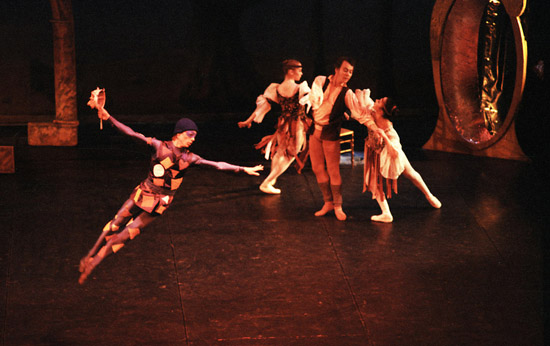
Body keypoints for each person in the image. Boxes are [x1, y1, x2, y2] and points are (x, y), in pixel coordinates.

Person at [78, 102, 263, 284]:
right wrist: (107, 116)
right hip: (143, 192)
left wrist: (243, 169)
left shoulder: (190, 158)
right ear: (179, 134)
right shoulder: (159, 147)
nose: (193, 139)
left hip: (160, 203)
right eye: (190, 135)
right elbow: (131, 133)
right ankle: (89, 255)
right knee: (115, 223)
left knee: (124, 236)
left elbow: (218, 165)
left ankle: (94, 263)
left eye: (195, 136)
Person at [307, 57, 378, 221]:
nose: (348, 74)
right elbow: (313, 101)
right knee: (317, 168)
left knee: (333, 170)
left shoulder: (347, 93)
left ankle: (338, 205)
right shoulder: (320, 81)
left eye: (351, 72)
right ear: (336, 69)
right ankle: (328, 202)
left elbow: (360, 115)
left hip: (330, 132)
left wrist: (376, 129)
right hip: (315, 130)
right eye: (345, 70)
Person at [238, 59, 311, 194]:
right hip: (296, 124)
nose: (301, 74)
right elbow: (313, 103)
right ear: (291, 71)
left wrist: (248, 121)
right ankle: (267, 182)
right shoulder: (300, 88)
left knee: (280, 151)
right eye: (299, 70)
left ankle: (271, 181)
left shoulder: (276, 88)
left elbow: (262, 106)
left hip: (283, 124)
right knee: (292, 153)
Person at [363, 97, 441, 223]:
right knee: (372, 181)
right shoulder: (373, 111)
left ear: (382, 111)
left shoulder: (387, 126)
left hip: (390, 148)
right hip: (378, 149)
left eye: (380, 101)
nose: (376, 100)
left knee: (410, 173)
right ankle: (386, 213)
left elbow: (394, 152)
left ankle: (429, 196)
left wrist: (384, 137)